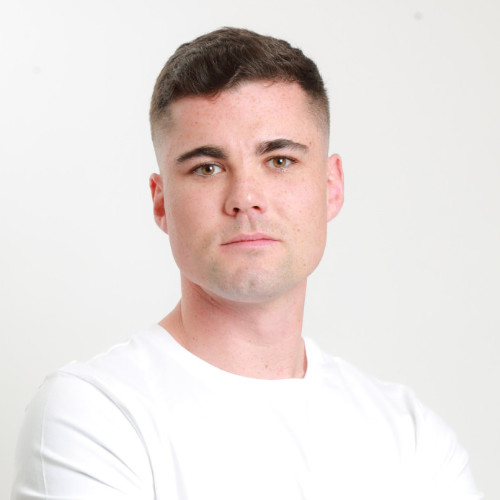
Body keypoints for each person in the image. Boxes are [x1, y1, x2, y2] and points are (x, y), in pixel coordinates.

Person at [12, 27, 482, 499]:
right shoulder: (95, 415)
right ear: (160, 202)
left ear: (332, 186)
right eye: (207, 168)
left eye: (279, 161)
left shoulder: (412, 437)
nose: (245, 198)